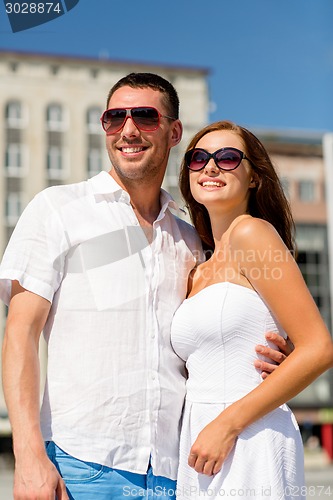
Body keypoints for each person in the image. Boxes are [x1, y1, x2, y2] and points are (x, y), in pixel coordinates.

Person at [0, 74, 289, 500]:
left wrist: (269, 357)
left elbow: (208, 339)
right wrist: (26, 456)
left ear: (174, 132)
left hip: (179, 473)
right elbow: (19, 335)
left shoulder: (192, 240)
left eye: (145, 116)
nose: (128, 129)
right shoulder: (58, 210)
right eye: (115, 117)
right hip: (81, 468)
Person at [171, 120, 333, 499]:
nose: (210, 167)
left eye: (227, 158)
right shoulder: (198, 266)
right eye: (198, 158)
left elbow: (319, 348)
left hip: (247, 437)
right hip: (200, 444)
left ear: (255, 177)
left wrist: (227, 425)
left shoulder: (252, 234)